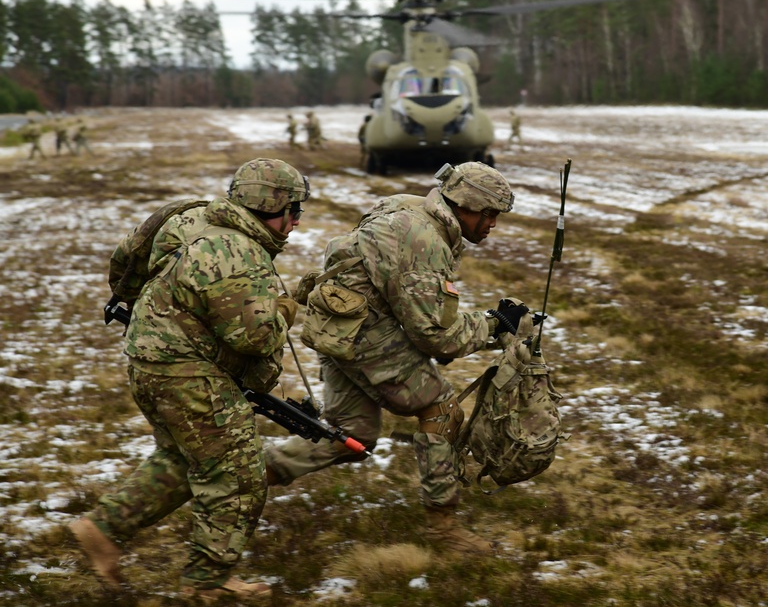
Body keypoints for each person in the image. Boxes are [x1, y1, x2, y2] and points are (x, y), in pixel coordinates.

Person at [69, 158, 310, 601]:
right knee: (239, 473)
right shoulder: (237, 252)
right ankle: (206, 582)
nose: (295, 223)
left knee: (183, 458)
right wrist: (287, 307)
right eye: (293, 210)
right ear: (270, 206)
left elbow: (126, 259)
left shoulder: (191, 217)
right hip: (187, 373)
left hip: (149, 361)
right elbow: (255, 337)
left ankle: (101, 529)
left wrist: (149, 307)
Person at [265, 161, 523, 555]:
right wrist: (494, 325)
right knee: (441, 411)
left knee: (351, 437)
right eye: (488, 214)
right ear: (465, 205)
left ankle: (244, 474)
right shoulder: (423, 239)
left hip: (335, 326)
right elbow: (438, 337)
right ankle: (443, 528)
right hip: (363, 334)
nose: (492, 224)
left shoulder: (408, 207)